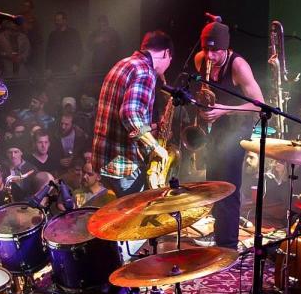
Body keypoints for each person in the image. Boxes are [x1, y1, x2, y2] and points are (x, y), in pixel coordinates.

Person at [193, 20, 264, 250]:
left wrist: (223, 110)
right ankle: (218, 232)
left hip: (238, 126)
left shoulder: (238, 66)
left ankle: (228, 245)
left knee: (229, 185)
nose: (210, 56)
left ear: (226, 48)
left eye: (216, 51)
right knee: (212, 183)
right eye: (207, 50)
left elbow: (259, 105)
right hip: (216, 125)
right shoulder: (199, 60)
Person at [92, 30, 173, 195]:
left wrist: (154, 127)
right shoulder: (145, 71)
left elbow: (119, 112)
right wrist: (155, 146)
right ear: (166, 53)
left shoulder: (123, 64)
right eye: (170, 61)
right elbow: (130, 114)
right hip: (123, 164)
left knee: (120, 215)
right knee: (135, 218)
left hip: (104, 157)